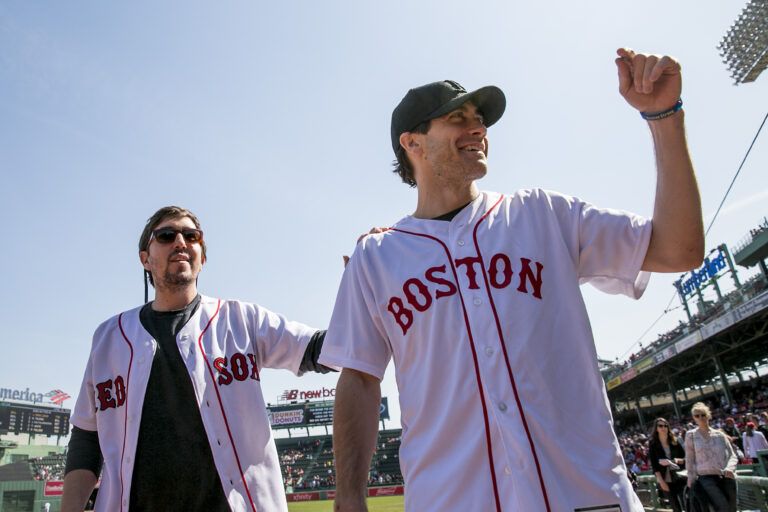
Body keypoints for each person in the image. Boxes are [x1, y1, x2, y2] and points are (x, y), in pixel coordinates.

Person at [321, 47, 704, 512]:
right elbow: (359, 377)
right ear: (413, 143)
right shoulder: (376, 258)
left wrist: (664, 117)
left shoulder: (542, 214)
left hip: (585, 498)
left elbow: (678, 249)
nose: (477, 127)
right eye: (457, 118)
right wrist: (348, 497)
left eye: (479, 117)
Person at [61, 206, 332, 512]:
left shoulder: (242, 320)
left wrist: (365, 286)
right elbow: (86, 437)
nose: (180, 241)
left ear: (202, 258)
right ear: (145, 259)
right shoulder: (109, 337)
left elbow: (325, 349)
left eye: (191, 236)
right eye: (166, 235)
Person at [685, 402, 738, 512]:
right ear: (694, 418)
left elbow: (732, 455)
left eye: (703, 414)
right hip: (705, 477)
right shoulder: (691, 435)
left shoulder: (720, 434)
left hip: (726, 475)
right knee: (722, 506)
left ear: (708, 415)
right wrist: (690, 478)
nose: (700, 418)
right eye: (697, 415)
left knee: (732, 507)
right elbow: (690, 459)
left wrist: (730, 468)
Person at [649, 417, 686, 512]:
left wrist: (675, 461)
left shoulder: (675, 441)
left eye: (665, 425)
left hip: (680, 477)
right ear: (656, 428)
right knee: (675, 507)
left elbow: (685, 459)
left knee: (686, 504)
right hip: (666, 480)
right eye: (660, 426)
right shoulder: (653, 444)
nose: (663, 427)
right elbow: (654, 465)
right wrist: (661, 482)